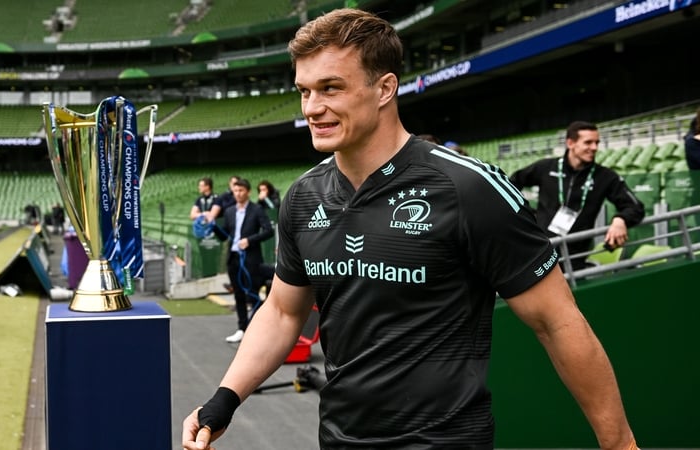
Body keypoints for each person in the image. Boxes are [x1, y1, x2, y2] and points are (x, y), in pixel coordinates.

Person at [182, 9, 637, 450]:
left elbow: (557, 322)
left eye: (330, 88)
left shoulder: (470, 188)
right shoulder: (303, 197)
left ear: (384, 89)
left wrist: (619, 444)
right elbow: (283, 312)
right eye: (304, 91)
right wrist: (226, 398)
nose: (312, 108)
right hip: (339, 439)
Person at [509, 121, 645, 270]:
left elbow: (635, 206)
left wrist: (621, 220)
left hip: (576, 256)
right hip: (540, 249)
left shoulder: (605, 177)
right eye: (588, 142)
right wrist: (527, 213)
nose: (594, 148)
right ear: (570, 143)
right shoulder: (546, 167)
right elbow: (510, 184)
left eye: (596, 143)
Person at [211, 178, 274, 343]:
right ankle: (241, 328)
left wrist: (249, 240)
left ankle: (254, 328)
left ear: (248, 192)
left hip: (251, 259)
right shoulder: (230, 211)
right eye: (235, 191)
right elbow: (224, 235)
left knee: (253, 295)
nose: (238, 194)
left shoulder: (257, 210)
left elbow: (269, 231)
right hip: (233, 259)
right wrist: (212, 226)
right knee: (238, 295)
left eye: (241, 191)